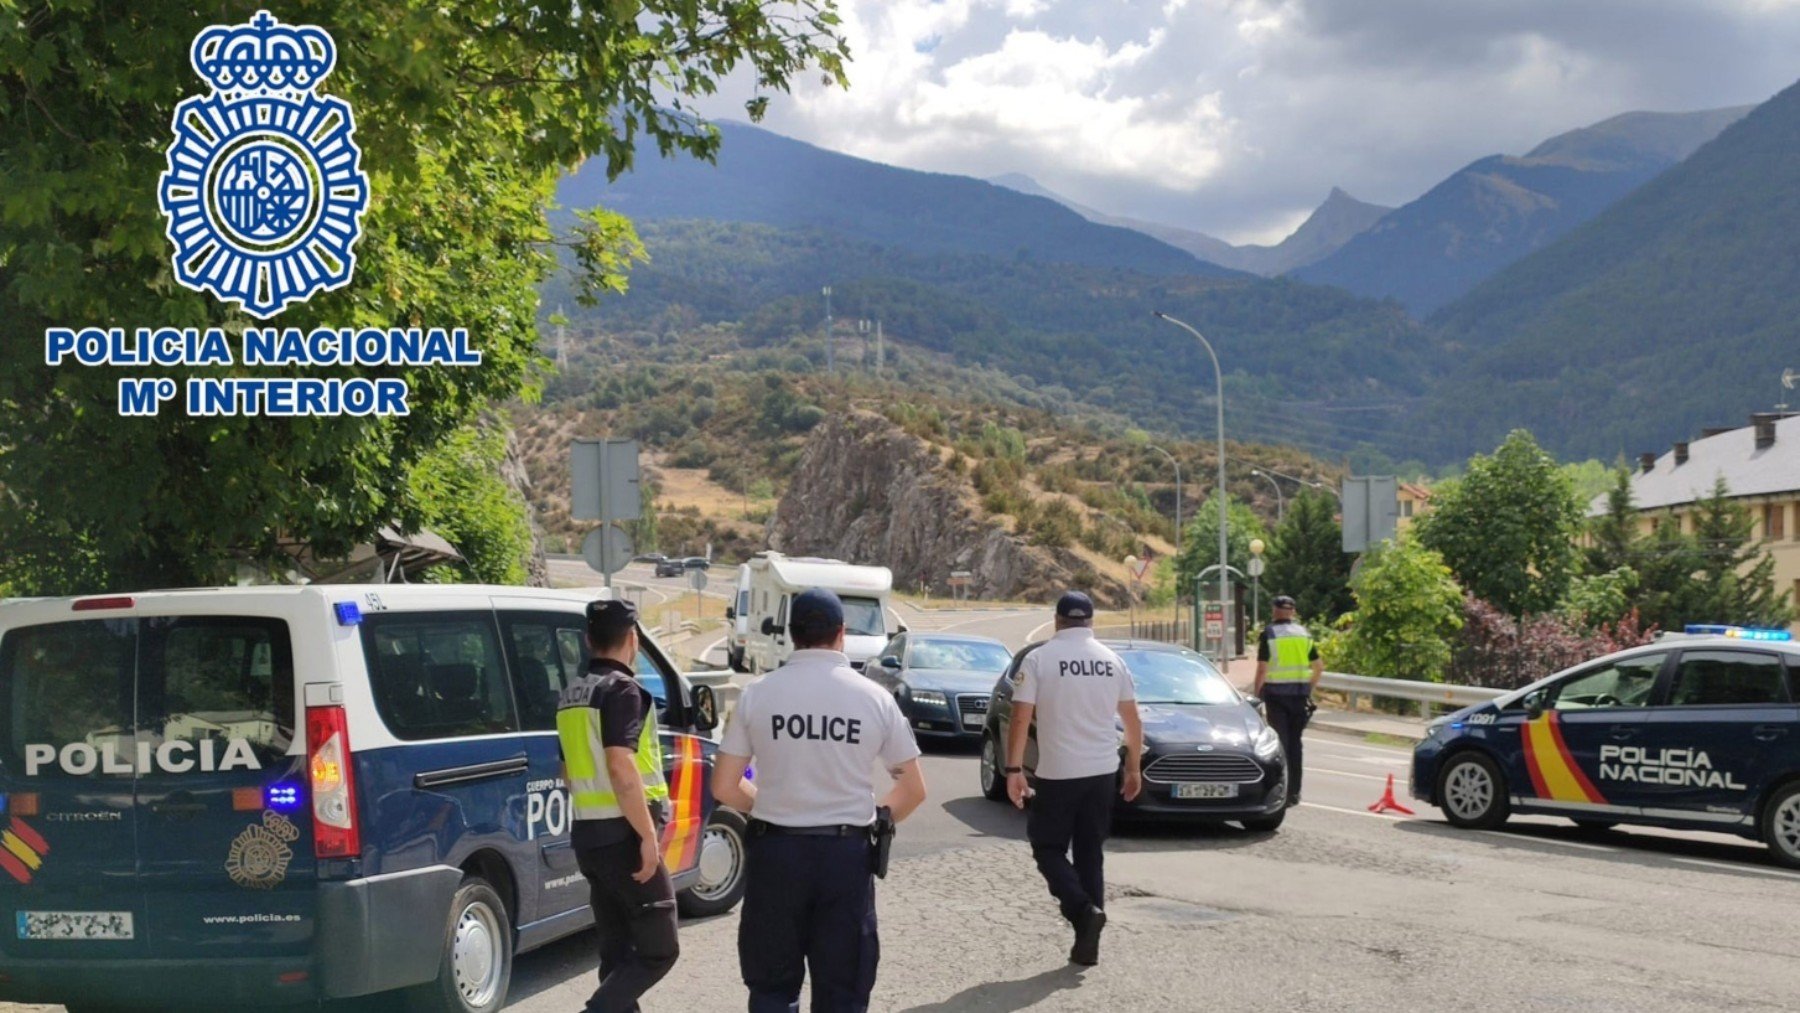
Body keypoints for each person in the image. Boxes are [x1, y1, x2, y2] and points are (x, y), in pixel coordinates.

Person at [712, 588, 929, 1013]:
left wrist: (772, 805)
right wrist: (879, 822)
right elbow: (914, 788)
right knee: (843, 990)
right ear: (841, 634)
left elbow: (724, 786)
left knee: (773, 988)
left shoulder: (759, 694)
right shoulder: (873, 698)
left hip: (775, 854)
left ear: (792, 634)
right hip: (845, 857)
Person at [1004, 591, 1142, 967]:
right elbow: (1132, 721)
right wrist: (1133, 768)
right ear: (1091, 621)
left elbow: (1019, 718)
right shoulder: (1112, 661)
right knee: (1089, 854)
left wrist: (1014, 770)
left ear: (1057, 620)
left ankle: (1082, 911)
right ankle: (1087, 945)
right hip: (1101, 772)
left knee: (1047, 847)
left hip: (1059, 772)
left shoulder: (1039, 659)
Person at [556, 598, 679, 1013]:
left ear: (589, 640)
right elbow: (621, 766)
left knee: (617, 951)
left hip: (589, 837)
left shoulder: (571, 694)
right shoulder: (623, 690)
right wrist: (647, 835)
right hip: (624, 836)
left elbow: (567, 772)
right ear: (634, 639)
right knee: (659, 950)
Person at [1254, 594, 1322, 806]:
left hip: (1276, 696)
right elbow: (1318, 667)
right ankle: (1294, 793)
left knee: (1279, 745)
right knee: (1295, 745)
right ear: (1293, 611)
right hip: (1299, 696)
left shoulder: (1269, 634)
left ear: (1274, 610)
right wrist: (1307, 688)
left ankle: (1278, 792)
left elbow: (1262, 669)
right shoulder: (1304, 634)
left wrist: (1256, 695)